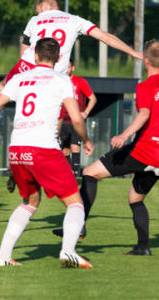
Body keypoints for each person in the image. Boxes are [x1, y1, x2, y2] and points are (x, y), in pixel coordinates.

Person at [0, 0, 141, 190]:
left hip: (28, 68)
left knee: (2, 88)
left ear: (41, 6)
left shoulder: (35, 20)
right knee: (49, 125)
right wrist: (133, 52)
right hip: (53, 77)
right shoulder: (74, 20)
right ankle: (42, 171)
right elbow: (105, 37)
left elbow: (24, 49)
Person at [0, 38, 95, 268]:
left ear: (35, 56)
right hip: (43, 149)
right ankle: (68, 251)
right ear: (60, 58)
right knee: (75, 203)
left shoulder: (20, 79)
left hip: (17, 150)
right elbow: (76, 118)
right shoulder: (62, 80)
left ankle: (2, 256)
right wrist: (86, 140)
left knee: (30, 201)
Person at [54, 40, 159, 255]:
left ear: (145, 60)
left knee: (89, 173)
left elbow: (145, 113)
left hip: (145, 150)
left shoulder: (146, 86)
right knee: (135, 198)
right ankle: (143, 247)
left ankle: (79, 226)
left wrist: (124, 134)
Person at [59, 59, 97, 175]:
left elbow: (93, 98)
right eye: (65, 67)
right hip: (62, 121)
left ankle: (75, 173)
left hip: (76, 121)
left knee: (75, 147)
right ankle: (67, 174)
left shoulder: (80, 82)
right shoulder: (59, 82)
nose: (66, 70)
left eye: (69, 67)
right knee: (64, 150)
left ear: (73, 68)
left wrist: (85, 112)